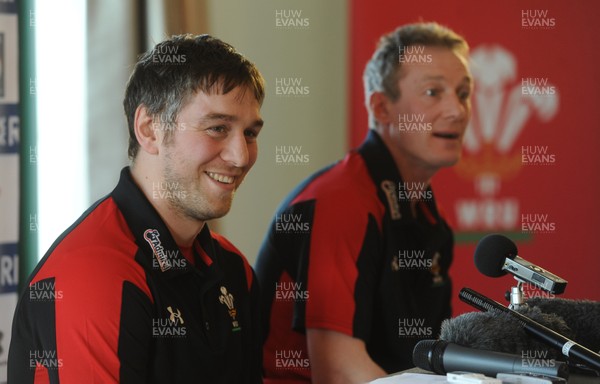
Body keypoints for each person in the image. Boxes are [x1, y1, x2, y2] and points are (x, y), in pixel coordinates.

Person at [8, 34, 265, 383]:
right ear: (149, 129)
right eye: (218, 128)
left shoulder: (235, 269)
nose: (241, 156)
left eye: (250, 133)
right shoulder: (95, 274)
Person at [255, 22, 473, 383]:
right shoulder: (341, 201)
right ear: (381, 107)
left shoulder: (428, 213)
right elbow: (337, 371)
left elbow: (426, 359)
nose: (457, 110)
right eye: (433, 92)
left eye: (463, 93)